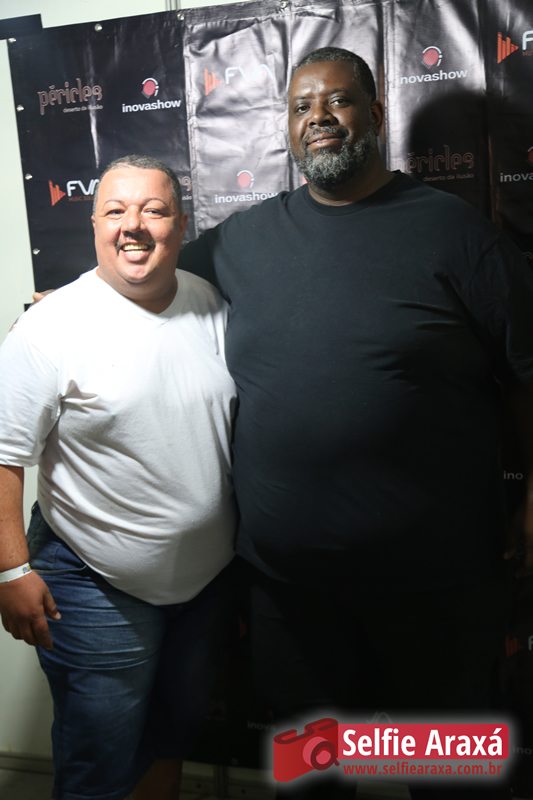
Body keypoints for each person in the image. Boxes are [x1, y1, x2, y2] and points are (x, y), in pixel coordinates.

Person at [174, 47, 533, 799]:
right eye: (301, 106)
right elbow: (144, 286)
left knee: (449, 777)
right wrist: (66, 309)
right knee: (314, 777)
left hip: (433, 589)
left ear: (374, 114)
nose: (319, 118)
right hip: (291, 593)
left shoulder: (454, 233)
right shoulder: (240, 242)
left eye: (336, 101)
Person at [0, 155, 238, 800]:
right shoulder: (50, 327)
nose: (134, 225)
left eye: (154, 210)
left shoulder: (209, 304)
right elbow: (3, 456)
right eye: (115, 211)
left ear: (181, 226)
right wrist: (11, 571)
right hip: (95, 584)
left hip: (205, 586)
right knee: (99, 767)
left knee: (171, 737)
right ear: (95, 225)